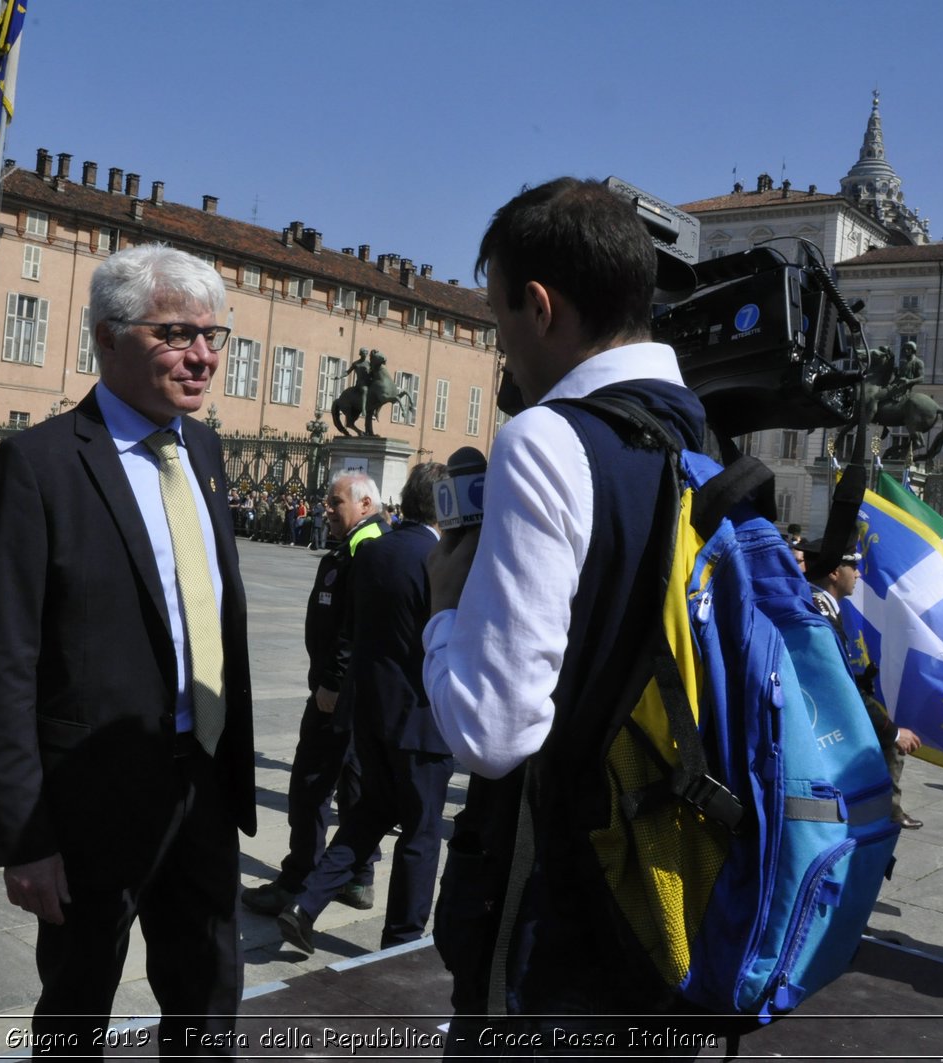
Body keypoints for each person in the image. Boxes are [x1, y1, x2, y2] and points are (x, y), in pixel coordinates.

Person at [422, 178, 710, 1052]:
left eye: (498, 320)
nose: (501, 350)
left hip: (561, 899)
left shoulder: (549, 438)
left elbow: (493, 728)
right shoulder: (696, 431)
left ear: (540, 307)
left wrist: (443, 611)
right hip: (667, 876)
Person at [0, 245, 256, 1054]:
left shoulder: (202, 453)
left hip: (201, 787)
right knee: (77, 1006)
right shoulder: (40, 464)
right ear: (108, 336)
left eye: (213, 335)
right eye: (176, 333)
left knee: (208, 996)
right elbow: (4, 663)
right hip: (90, 803)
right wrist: (24, 835)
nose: (202, 356)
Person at [278, 462, 454, 954]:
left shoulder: (373, 552)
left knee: (370, 813)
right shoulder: (438, 557)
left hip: (369, 710)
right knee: (421, 832)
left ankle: (305, 903)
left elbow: (350, 629)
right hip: (420, 717)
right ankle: (400, 937)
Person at [242, 470, 384, 918]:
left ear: (363, 504)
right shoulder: (361, 543)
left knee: (310, 785)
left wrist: (332, 683)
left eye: (334, 502)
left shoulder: (365, 548)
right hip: (354, 694)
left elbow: (354, 627)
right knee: (354, 783)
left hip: (337, 695)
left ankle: (298, 878)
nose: (326, 508)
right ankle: (357, 875)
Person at [799, 540, 923, 829]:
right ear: (833, 572)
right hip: (824, 718)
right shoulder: (821, 613)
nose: (858, 574)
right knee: (890, 743)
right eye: (852, 566)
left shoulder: (823, 604)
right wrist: (892, 732)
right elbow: (835, 685)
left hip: (828, 706)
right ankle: (878, 812)